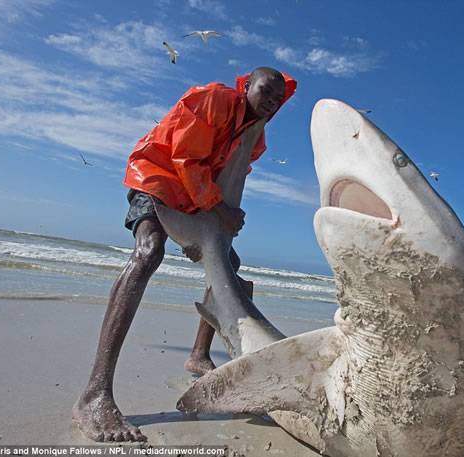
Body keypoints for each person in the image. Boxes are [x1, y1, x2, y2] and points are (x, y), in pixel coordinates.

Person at [72, 67, 297, 442]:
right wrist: (219, 210)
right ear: (246, 86)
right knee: (149, 251)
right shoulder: (216, 99)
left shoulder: (256, 140)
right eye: (265, 92)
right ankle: (95, 393)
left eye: (278, 100)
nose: (272, 103)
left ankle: (197, 354)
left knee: (228, 264)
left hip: (196, 197)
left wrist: (219, 229)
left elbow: (229, 181)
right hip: (157, 176)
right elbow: (185, 158)